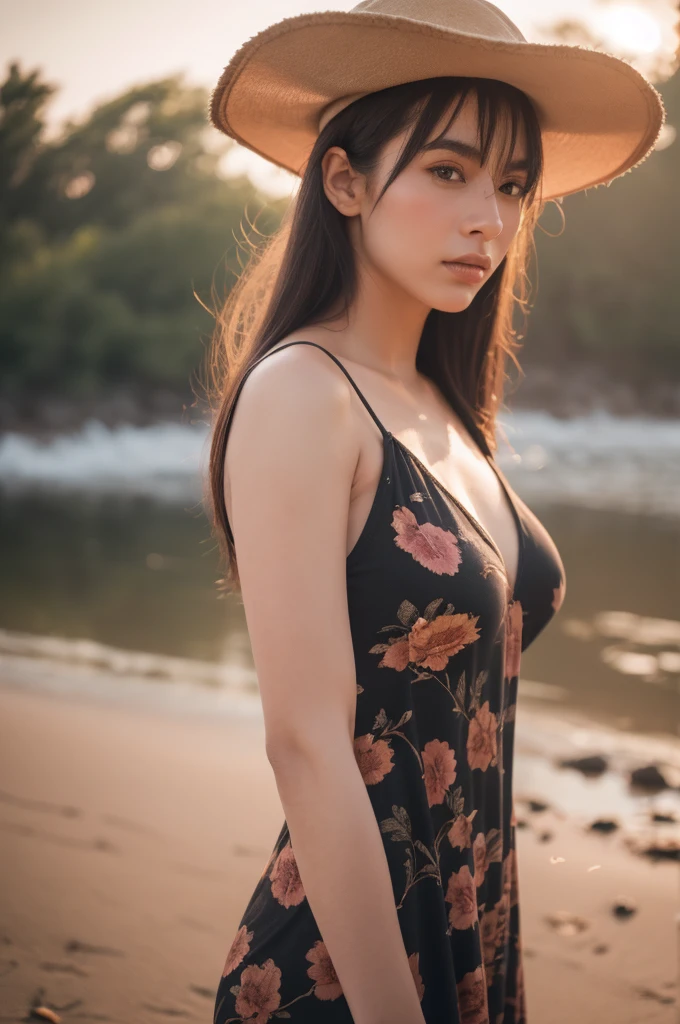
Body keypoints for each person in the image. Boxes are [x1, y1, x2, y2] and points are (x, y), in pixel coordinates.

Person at [204, 2, 665, 1022]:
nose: (488, 220)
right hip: (346, 968)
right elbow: (307, 742)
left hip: (468, 928)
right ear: (345, 180)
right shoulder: (303, 393)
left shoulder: (440, 406)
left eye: (509, 185)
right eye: (448, 172)